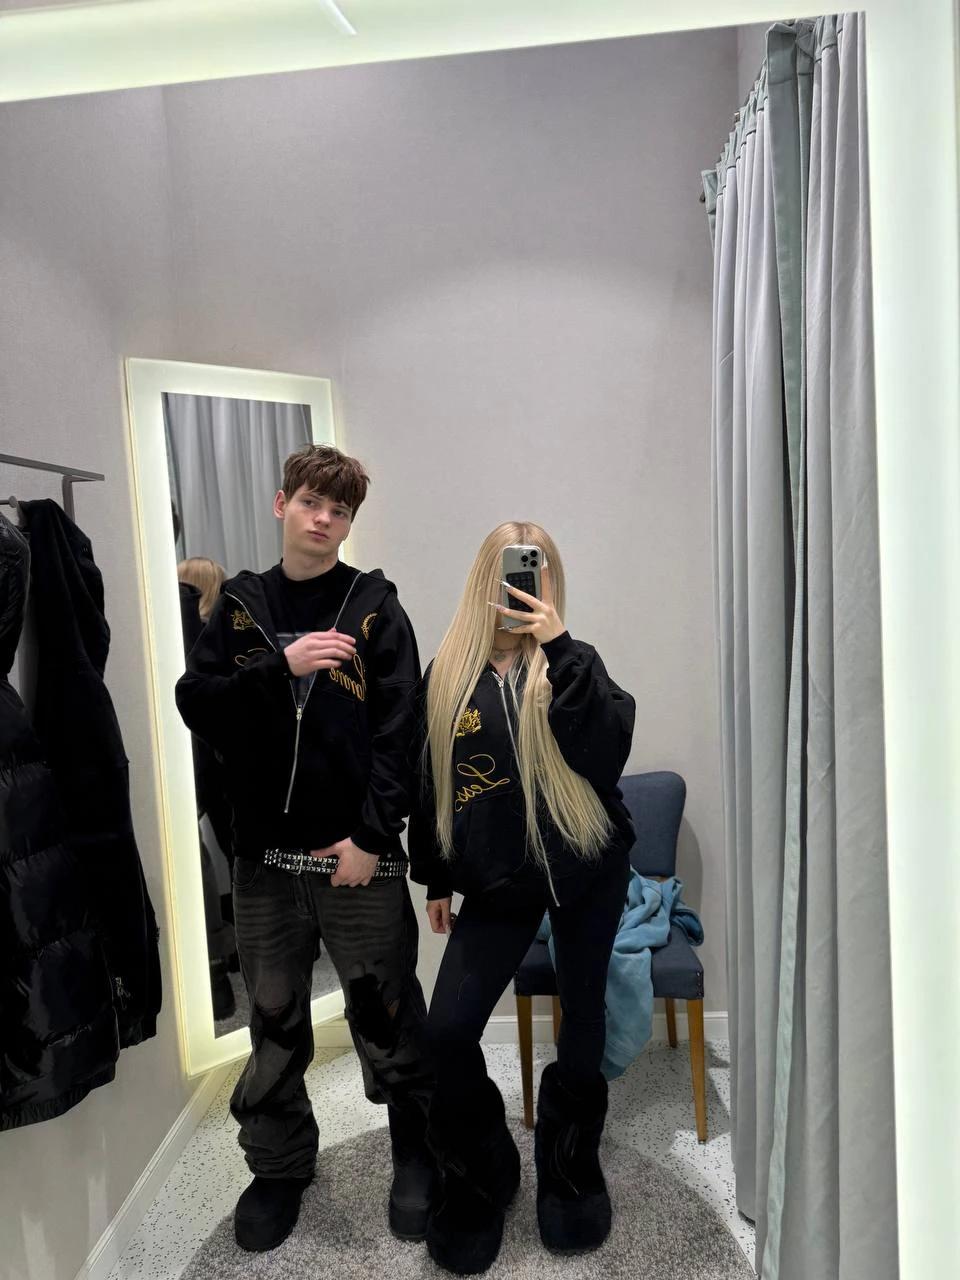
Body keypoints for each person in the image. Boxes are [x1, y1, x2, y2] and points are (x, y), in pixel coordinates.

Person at [175, 445, 436, 1253]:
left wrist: (371, 837)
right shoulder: (240, 608)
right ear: (281, 503)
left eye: (340, 510)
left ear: (350, 522)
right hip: (262, 864)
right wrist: (277, 669)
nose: (324, 519)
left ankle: (415, 1152)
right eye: (312, 503)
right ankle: (279, 1166)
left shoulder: (374, 608)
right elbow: (198, 703)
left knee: (387, 1013)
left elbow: (401, 734)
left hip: (356, 860)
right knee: (273, 1018)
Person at [408, 521, 636, 1275]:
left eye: (534, 575)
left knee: (584, 1015)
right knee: (446, 1032)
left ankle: (569, 1165)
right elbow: (430, 788)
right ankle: (482, 1166)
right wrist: (436, 876)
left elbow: (606, 756)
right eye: (508, 575)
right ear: (486, 580)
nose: (520, 590)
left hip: (587, 867)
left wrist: (559, 646)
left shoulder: (575, 664)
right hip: (500, 883)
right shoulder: (448, 678)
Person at [176, 555, 236, 1021]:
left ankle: (219, 967)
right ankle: (224, 964)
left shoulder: (203, 634)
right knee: (229, 851)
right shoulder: (214, 633)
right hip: (216, 759)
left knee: (204, 855)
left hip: (201, 759)